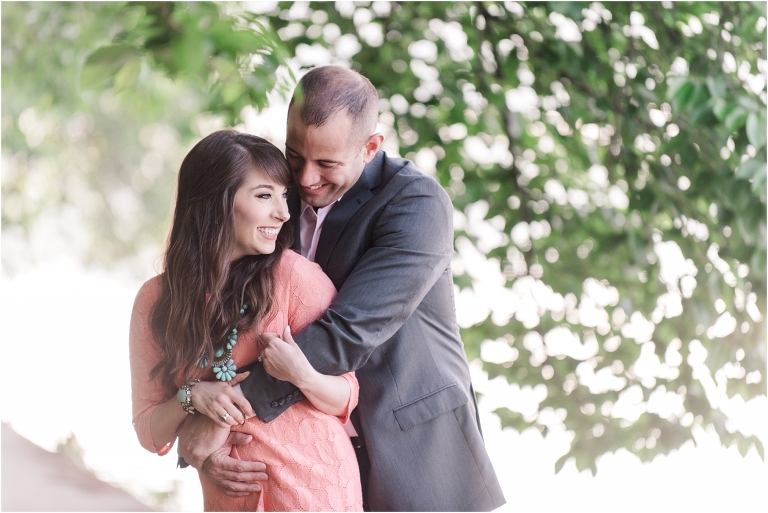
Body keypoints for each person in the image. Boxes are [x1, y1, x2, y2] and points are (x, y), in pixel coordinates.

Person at [178, 65, 506, 511]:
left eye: (327, 163)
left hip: (413, 451)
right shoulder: (276, 194)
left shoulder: (417, 205)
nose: (306, 178)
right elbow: (228, 315)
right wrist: (203, 421)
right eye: (295, 155)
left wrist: (228, 409)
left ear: (370, 147)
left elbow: (347, 332)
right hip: (305, 463)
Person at [129, 130, 363, 511]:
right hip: (229, 499)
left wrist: (304, 375)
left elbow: (347, 396)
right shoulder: (156, 301)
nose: (284, 213)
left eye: (283, 195)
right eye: (264, 195)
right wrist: (192, 397)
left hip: (314, 491)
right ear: (216, 203)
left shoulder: (296, 279)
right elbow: (148, 430)